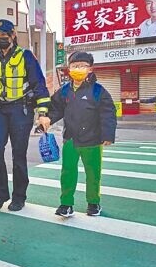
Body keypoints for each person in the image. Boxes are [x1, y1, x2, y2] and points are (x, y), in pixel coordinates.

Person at [0, 19, 51, 212]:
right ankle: (1, 193)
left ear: (13, 35)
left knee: (18, 155)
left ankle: (19, 196)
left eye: (4, 34)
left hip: (21, 110)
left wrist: (43, 113)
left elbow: (39, 85)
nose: (0, 38)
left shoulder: (26, 56)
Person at [48, 52, 116, 218]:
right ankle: (66, 204)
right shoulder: (64, 91)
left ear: (90, 69)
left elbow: (108, 113)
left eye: (83, 66)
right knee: (67, 172)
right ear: (69, 69)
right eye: (75, 66)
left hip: (93, 140)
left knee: (93, 173)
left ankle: (93, 203)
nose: (78, 69)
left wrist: (108, 134)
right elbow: (55, 109)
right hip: (70, 139)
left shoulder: (99, 91)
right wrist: (46, 120)